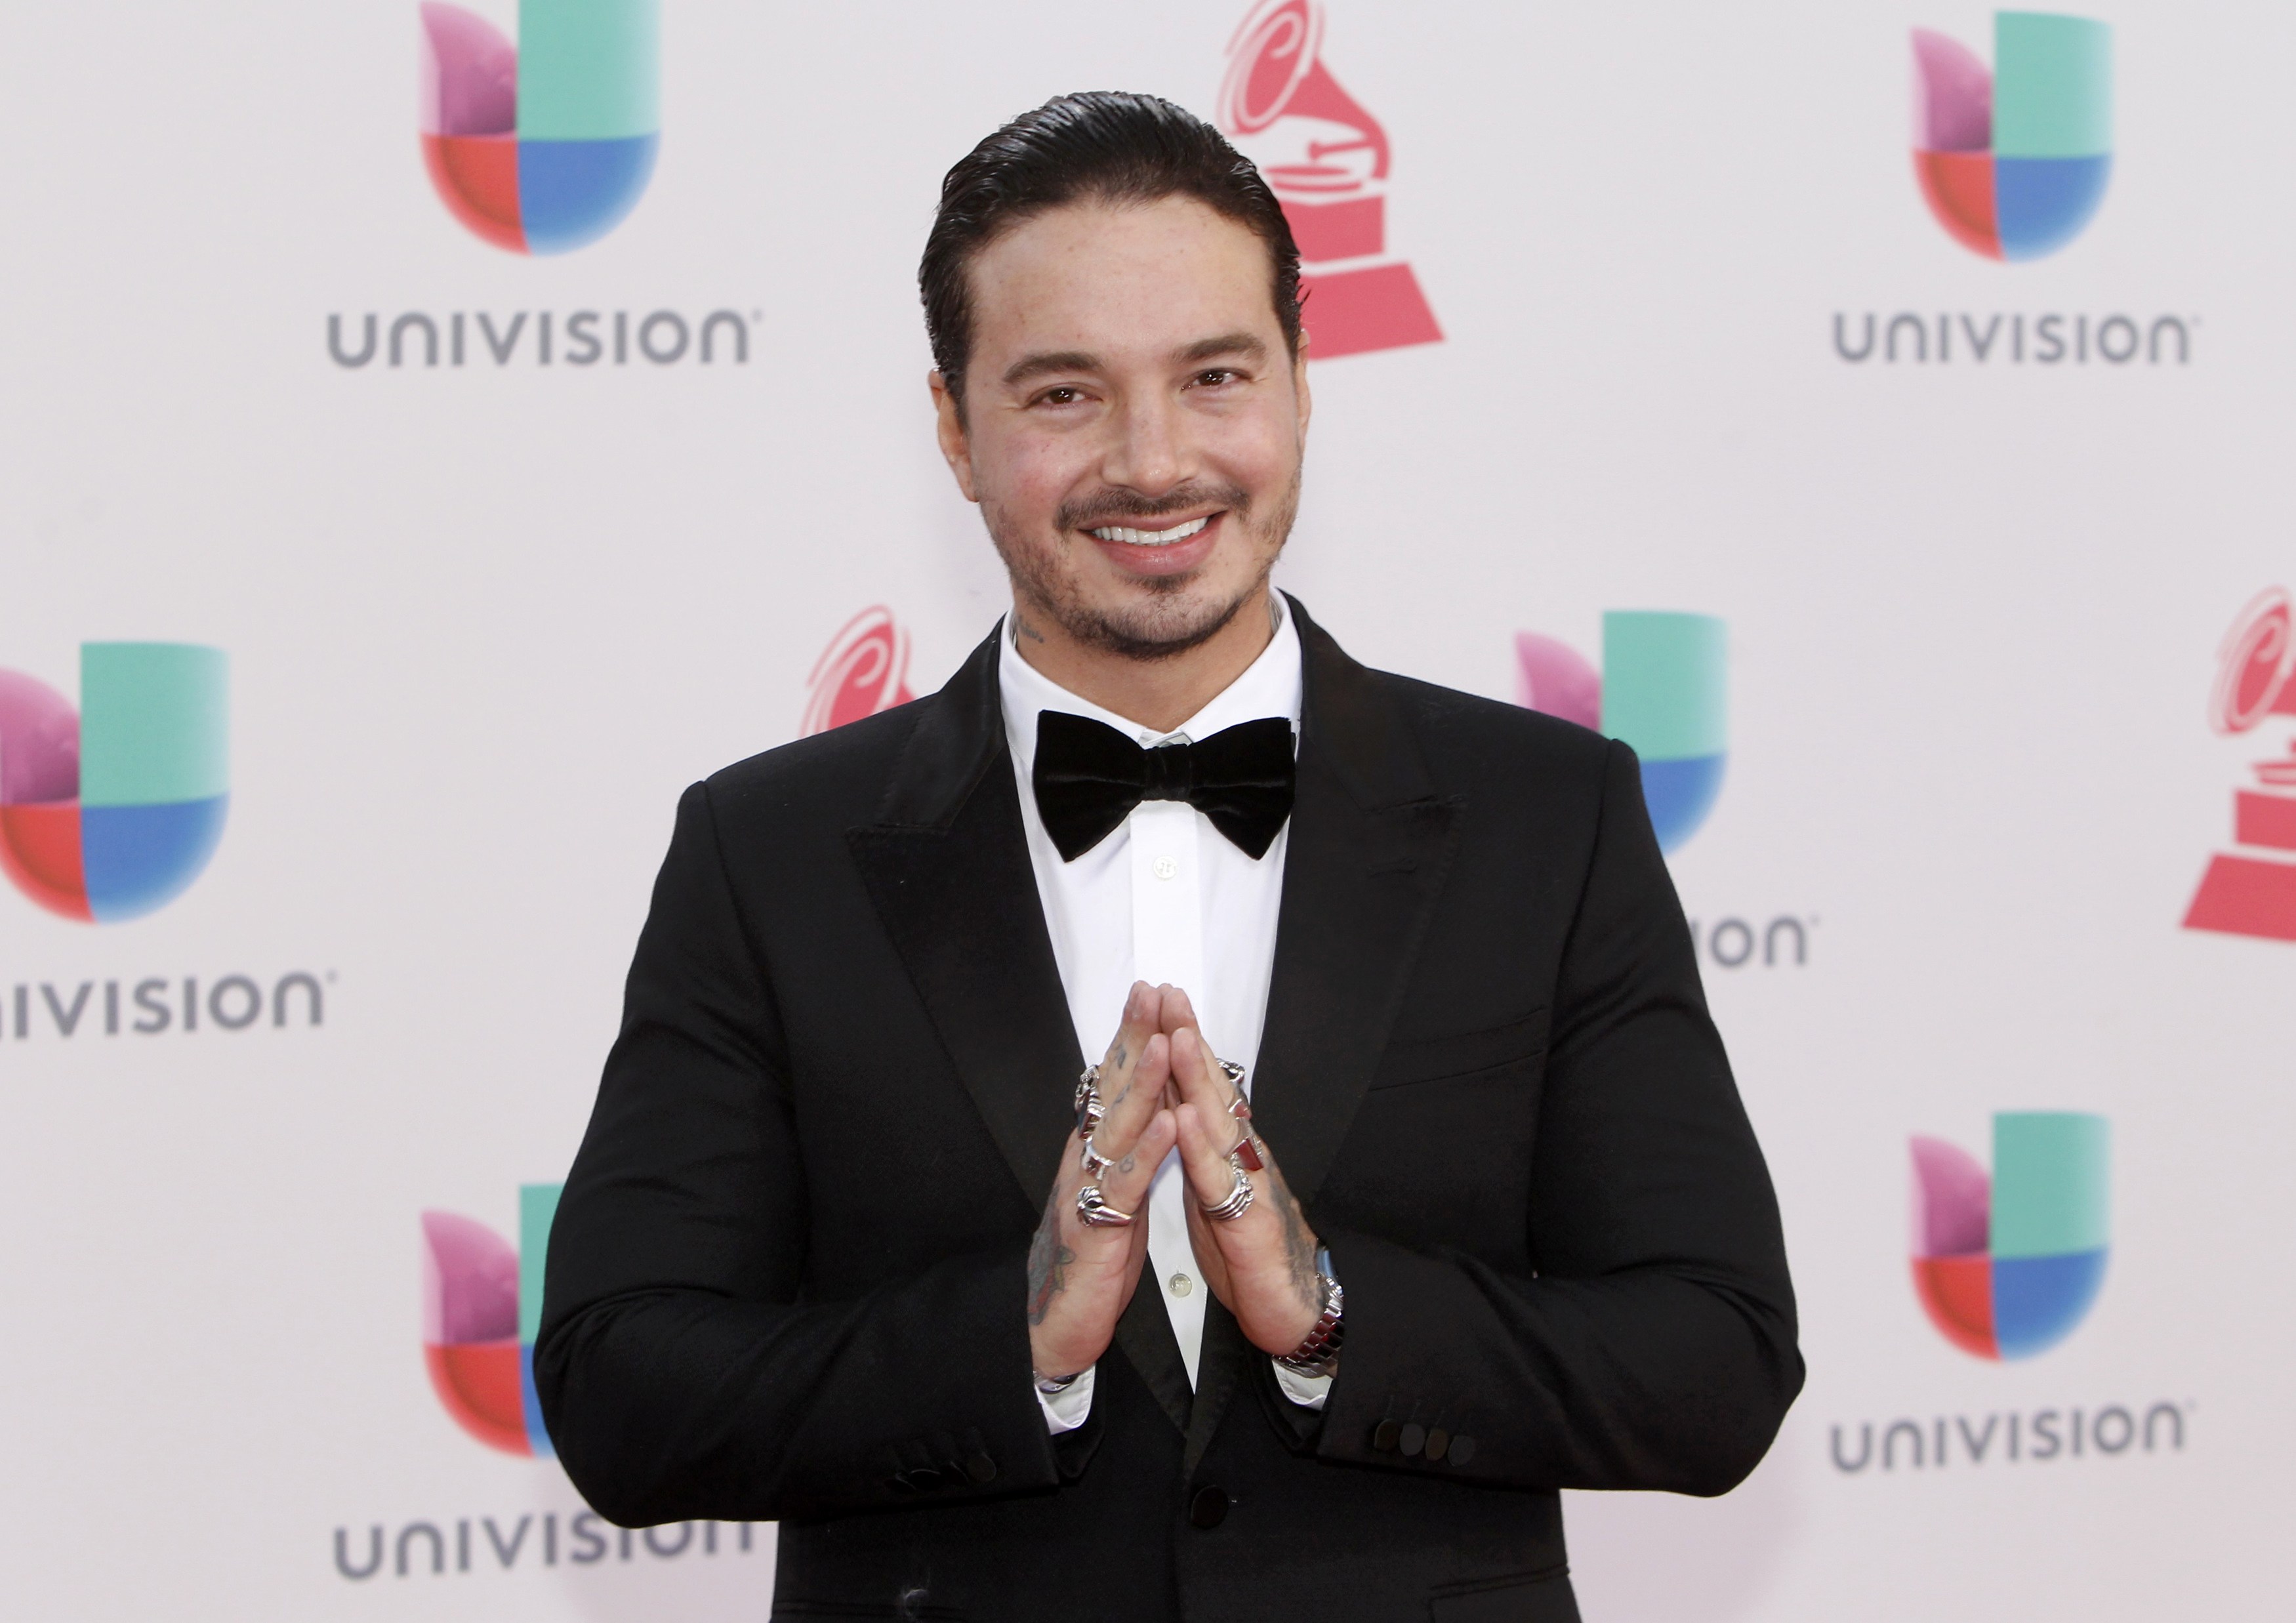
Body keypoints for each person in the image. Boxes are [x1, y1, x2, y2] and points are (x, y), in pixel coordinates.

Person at [536, 91, 1800, 1622]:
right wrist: (1016, 1338)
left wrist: (1329, 1315)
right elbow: (619, 1390)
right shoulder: (768, 848)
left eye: (1212, 376)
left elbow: (1717, 1360)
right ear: (951, 424)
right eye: (1063, 394)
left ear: (1300, 382)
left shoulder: (1545, 812)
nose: (1154, 461)